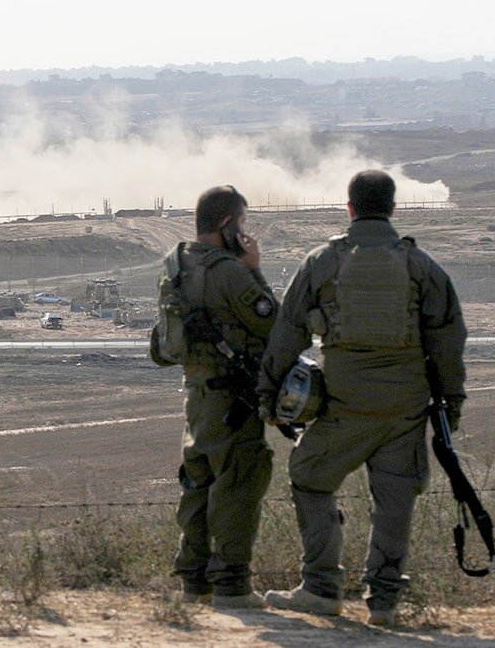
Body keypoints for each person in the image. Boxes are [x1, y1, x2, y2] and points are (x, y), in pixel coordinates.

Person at [256, 169, 466, 626]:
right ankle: (385, 601)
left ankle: (320, 587)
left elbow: (287, 334)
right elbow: (449, 338)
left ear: (349, 208)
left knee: (309, 476)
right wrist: (452, 400)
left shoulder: (323, 261)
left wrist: (269, 395)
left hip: (344, 406)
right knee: (395, 499)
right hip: (405, 409)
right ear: (393, 208)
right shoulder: (421, 266)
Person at [150, 185, 278, 609]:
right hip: (232, 399)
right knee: (239, 481)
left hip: (196, 394)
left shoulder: (175, 266)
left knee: (198, 484)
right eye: (242, 224)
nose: (245, 233)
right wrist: (254, 269)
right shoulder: (229, 272)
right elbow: (272, 326)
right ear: (227, 225)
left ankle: (194, 582)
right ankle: (232, 586)